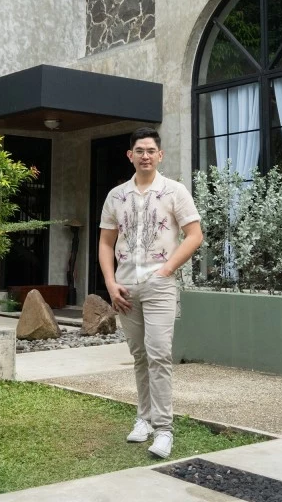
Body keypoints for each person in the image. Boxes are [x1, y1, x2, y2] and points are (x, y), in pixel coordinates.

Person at [98, 126, 203, 459]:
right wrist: (111, 283)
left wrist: (167, 269)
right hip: (125, 288)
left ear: (160, 156)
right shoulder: (116, 195)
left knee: (159, 355)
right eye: (139, 151)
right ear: (130, 155)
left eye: (150, 151)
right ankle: (143, 418)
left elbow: (194, 235)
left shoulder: (174, 191)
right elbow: (105, 242)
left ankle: (164, 429)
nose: (145, 156)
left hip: (159, 286)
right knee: (140, 356)